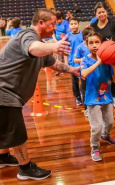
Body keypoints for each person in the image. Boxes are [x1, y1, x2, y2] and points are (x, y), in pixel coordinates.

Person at [0, 8, 81, 180]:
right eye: (52, 24)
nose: (54, 28)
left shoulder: (40, 46)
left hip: (7, 93)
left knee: (6, 128)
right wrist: (53, 46)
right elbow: (33, 48)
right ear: (41, 23)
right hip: (4, 93)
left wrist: (73, 70)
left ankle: (2, 156)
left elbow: (53, 63)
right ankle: (25, 169)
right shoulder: (28, 36)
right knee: (17, 133)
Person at [81, 33, 115, 161]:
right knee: (96, 126)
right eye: (90, 43)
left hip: (106, 97)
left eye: (97, 42)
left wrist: (114, 67)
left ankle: (106, 135)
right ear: (87, 45)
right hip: (92, 99)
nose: (94, 45)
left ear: (101, 43)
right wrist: (99, 62)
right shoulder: (85, 60)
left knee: (110, 122)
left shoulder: (108, 61)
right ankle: (95, 147)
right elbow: (84, 74)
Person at [91, 2, 115, 108]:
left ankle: (114, 96)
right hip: (100, 56)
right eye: (99, 13)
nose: (102, 14)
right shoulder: (93, 26)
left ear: (107, 11)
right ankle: (103, 95)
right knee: (102, 76)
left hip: (114, 55)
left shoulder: (113, 23)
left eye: (103, 12)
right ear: (95, 14)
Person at [74, 27, 94, 116]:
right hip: (84, 73)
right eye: (88, 36)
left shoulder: (94, 46)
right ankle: (86, 108)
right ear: (85, 37)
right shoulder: (80, 47)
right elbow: (75, 60)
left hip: (94, 72)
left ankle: (94, 105)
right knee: (85, 90)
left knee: (94, 89)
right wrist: (83, 59)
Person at [64, 17, 83, 105]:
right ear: (69, 25)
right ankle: (77, 96)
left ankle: (83, 93)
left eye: (75, 23)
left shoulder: (83, 35)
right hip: (72, 63)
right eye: (71, 24)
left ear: (79, 24)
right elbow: (65, 51)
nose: (73, 25)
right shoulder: (67, 36)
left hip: (82, 62)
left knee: (84, 79)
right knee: (74, 81)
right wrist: (66, 63)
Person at [53, 11, 69, 76]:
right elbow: (53, 32)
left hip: (64, 42)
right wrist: (55, 39)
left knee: (64, 56)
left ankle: (65, 69)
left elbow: (68, 33)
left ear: (61, 18)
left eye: (58, 20)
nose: (56, 21)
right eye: (56, 20)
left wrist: (64, 37)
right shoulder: (55, 23)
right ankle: (59, 69)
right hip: (57, 42)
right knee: (58, 56)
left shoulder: (66, 23)